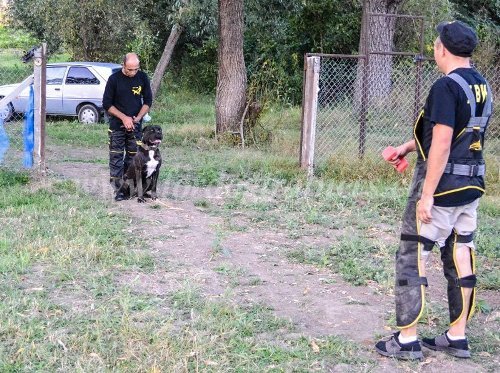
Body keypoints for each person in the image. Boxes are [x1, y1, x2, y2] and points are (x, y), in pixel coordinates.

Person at [375, 21, 493, 360]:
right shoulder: (481, 85)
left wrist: (426, 195)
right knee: (461, 253)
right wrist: (408, 147)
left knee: (413, 254)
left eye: (436, 43)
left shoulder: (445, 86)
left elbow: (442, 143)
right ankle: (457, 336)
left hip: (440, 187)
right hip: (470, 186)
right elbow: (457, 133)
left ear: (443, 49)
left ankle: (407, 339)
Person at [103, 52, 153, 201]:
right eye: (130, 69)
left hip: (135, 126)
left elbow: (148, 102)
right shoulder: (114, 80)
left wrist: (137, 118)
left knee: (133, 159)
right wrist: (124, 118)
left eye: (136, 69)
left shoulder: (142, 77)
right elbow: (107, 104)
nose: (133, 72)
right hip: (117, 126)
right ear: (123, 65)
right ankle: (117, 190)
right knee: (116, 158)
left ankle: (128, 189)